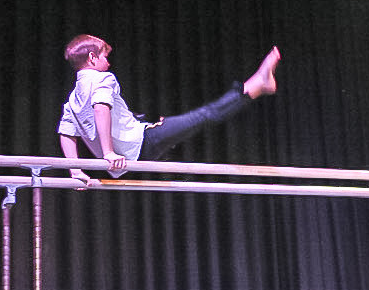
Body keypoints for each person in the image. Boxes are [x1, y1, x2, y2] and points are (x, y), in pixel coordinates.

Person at [58, 35, 280, 185]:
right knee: (203, 116)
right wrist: (108, 153)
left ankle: (174, 167)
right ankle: (255, 85)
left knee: (170, 129)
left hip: (133, 152)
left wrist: (75, 170)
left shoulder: (72, 99)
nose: (108, 62)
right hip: (141, 144)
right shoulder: (102, 78)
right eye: (105, 57)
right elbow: (101, 109)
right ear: (92, 58)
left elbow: (66, 132)